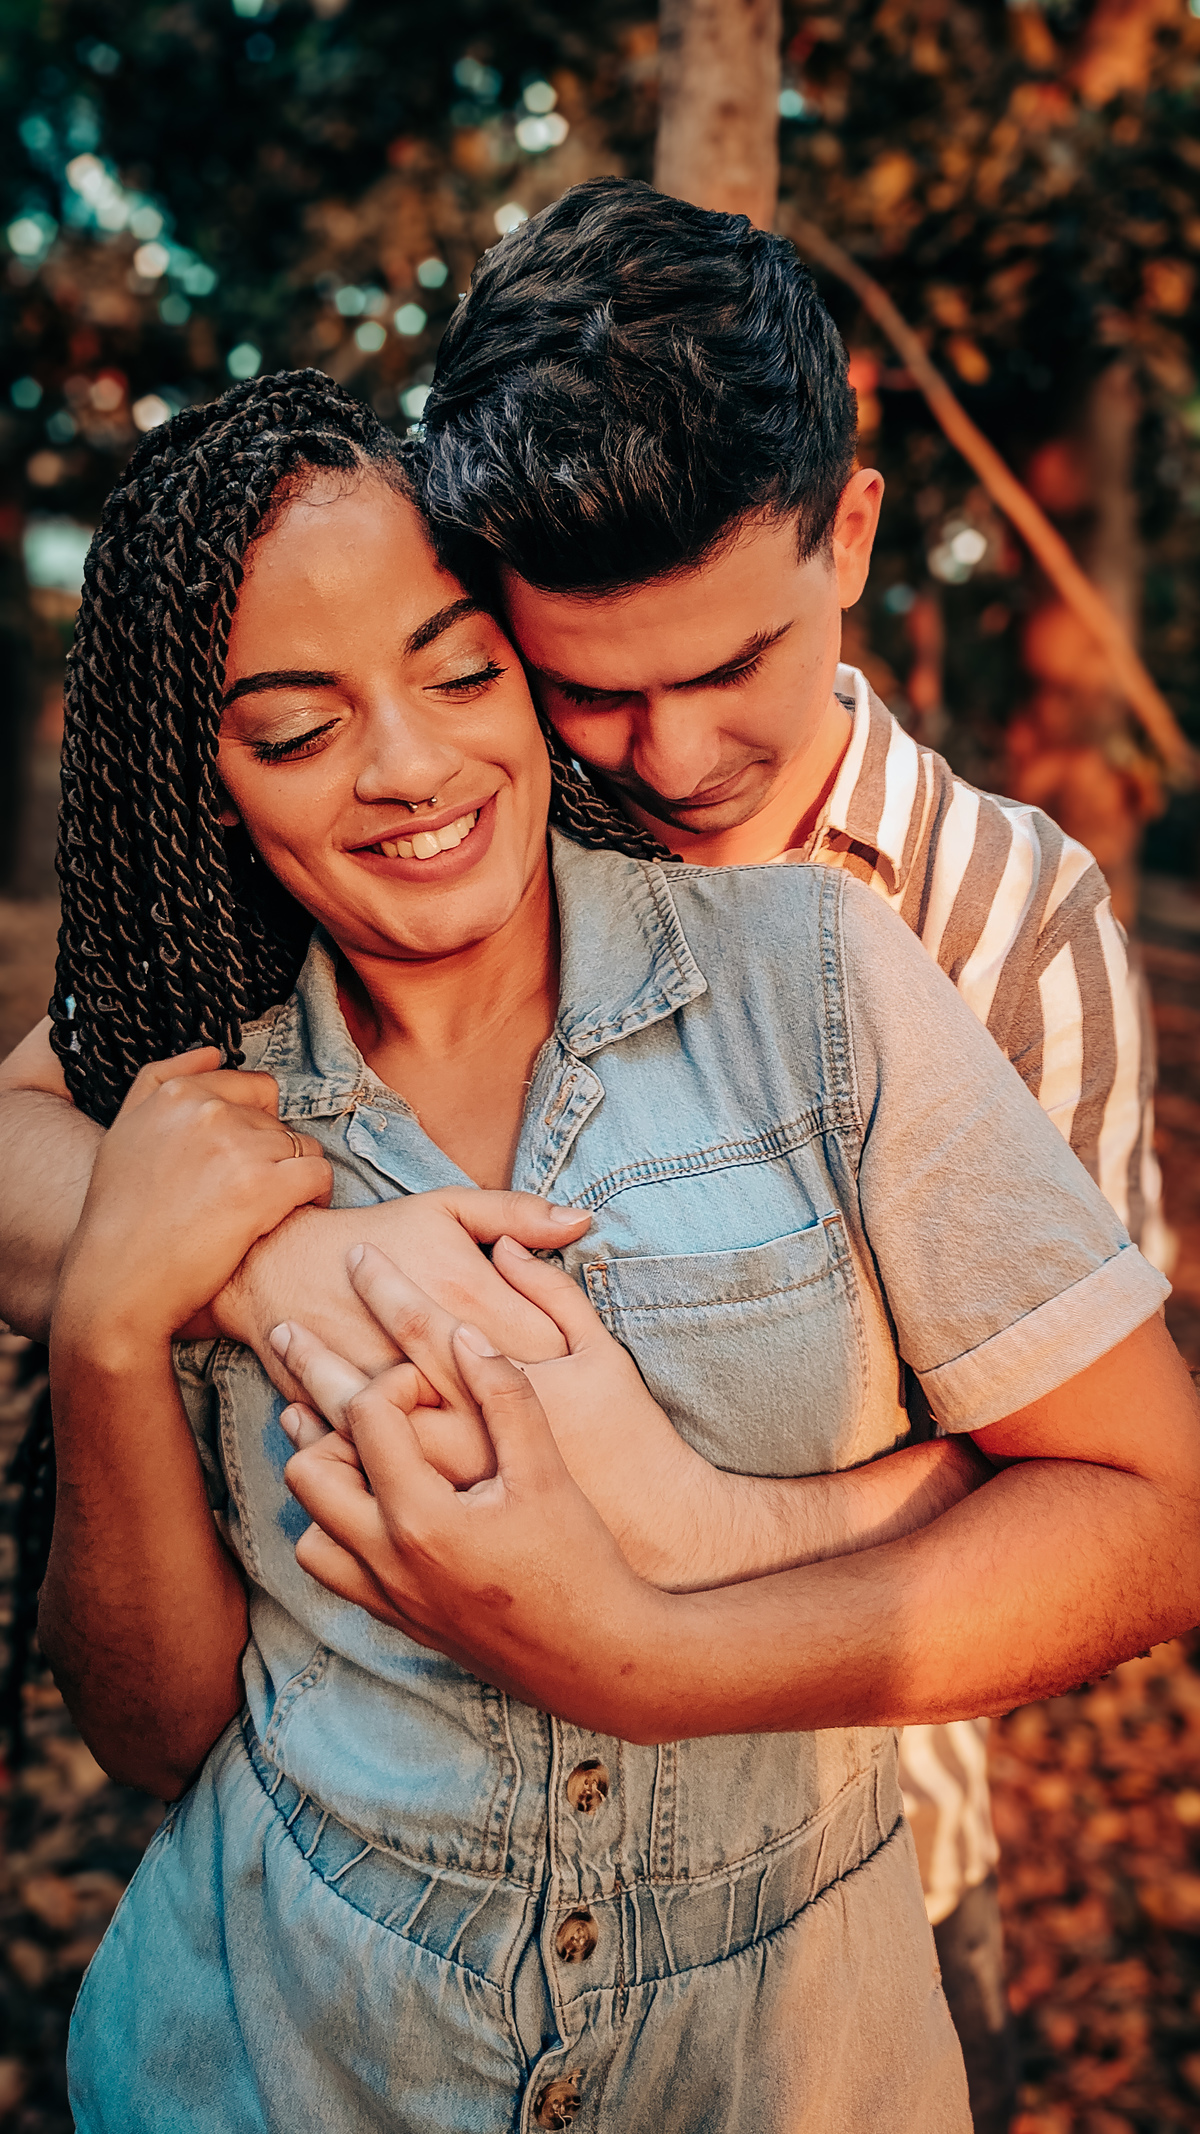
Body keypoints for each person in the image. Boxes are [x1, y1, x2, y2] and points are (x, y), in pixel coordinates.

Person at [0, 181, 1172, 2121]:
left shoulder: (968, 928)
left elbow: (1088, 1469)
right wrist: (272, 1261)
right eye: (585, 682)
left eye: (734, 666)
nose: (675, 751)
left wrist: (658, 1593)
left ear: (850, 537)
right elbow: (60, 1138)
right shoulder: (291, 955)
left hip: (854, 1824)